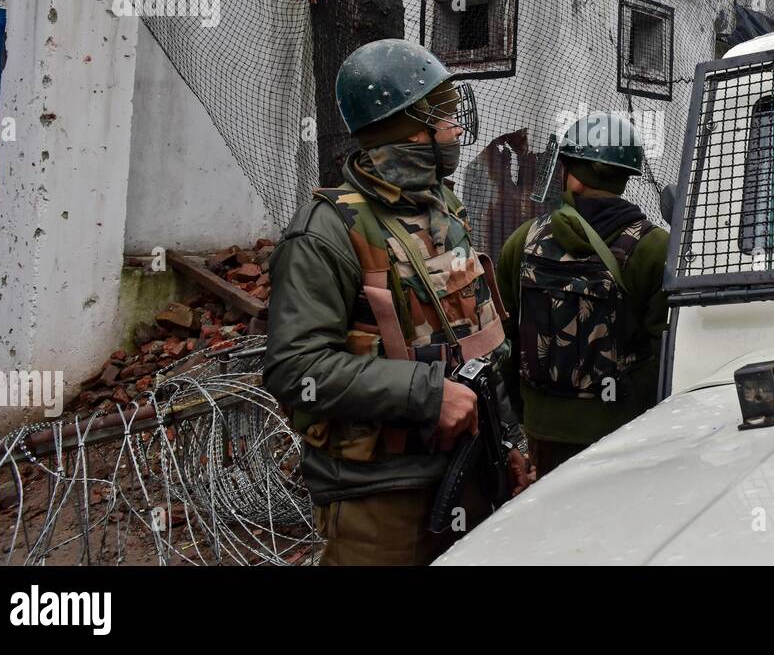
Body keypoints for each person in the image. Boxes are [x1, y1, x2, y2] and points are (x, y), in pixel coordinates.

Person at [264, 39, 531, 565]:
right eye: (443, 114)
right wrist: (427, 394)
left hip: (472, 468)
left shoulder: (444, 209)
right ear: (405, 126)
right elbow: (295, 369)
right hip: (381, 497)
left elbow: (480, 341)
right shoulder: (324, 232)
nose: (457, 127)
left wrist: (510, 440)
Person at [496, 112, 670, 478]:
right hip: (622, 431)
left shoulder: (523, 241)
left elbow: (506, 344)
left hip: (542, 431)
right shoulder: (657, 247)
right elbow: (663, 353)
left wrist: (526, 419)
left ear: (571, 175)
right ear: (625, 176)